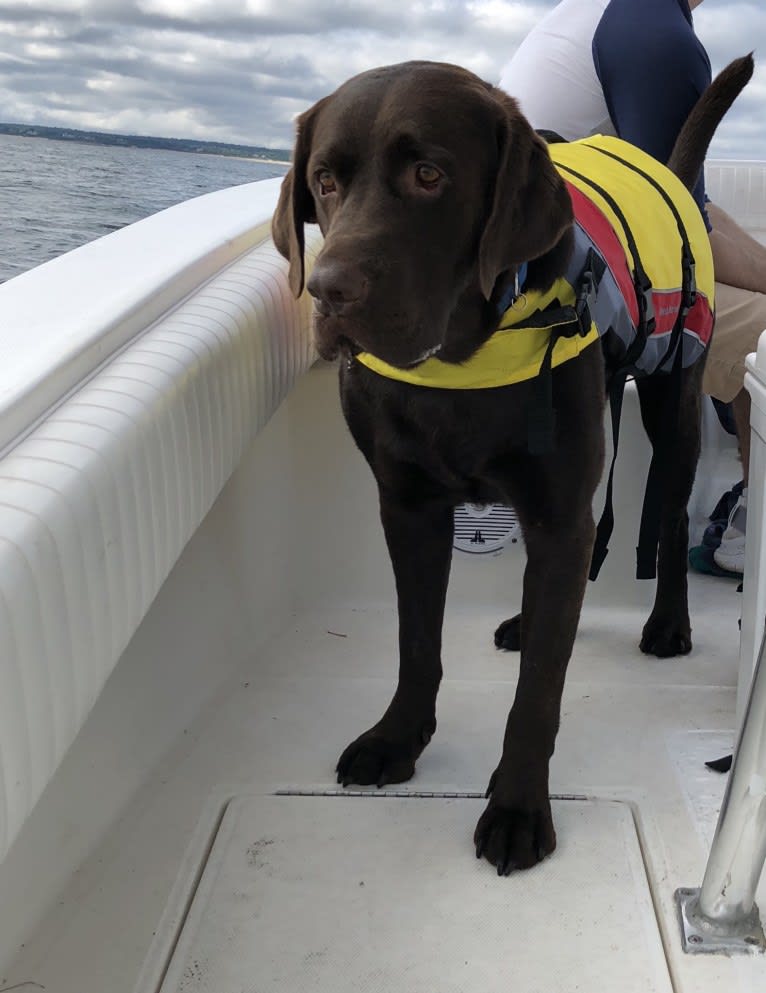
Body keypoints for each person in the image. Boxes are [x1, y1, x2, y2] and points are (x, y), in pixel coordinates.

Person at [499, 0, 766, 576]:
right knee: (763, 332)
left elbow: (684, 202)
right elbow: (679, 229)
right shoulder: (658, 35)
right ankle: (753, 533)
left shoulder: (608, 13)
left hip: (536, 270)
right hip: (564, 291)